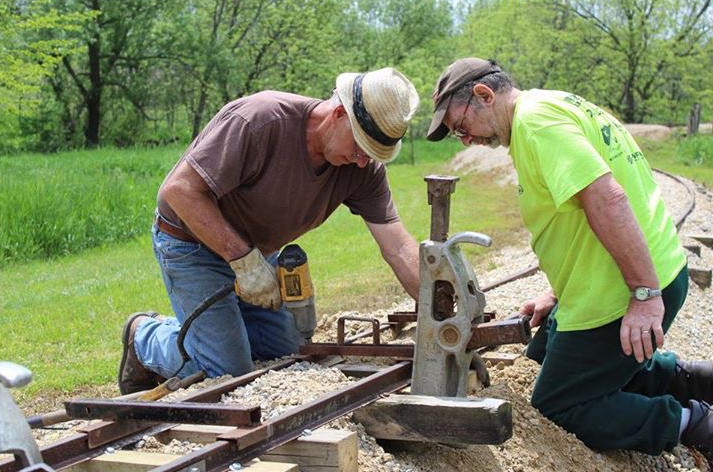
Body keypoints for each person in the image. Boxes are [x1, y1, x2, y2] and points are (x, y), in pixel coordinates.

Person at [426, 57, 713, 455]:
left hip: (623, 289)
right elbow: (578, 219)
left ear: (484, 95)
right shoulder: (551, 106)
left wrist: (644, 294)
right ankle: (697, 381)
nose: (465, 140)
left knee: (558, 404)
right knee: (541, 355)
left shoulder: (536, 124)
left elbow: (608, 198)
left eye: (461, 126)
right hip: (634, 274)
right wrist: (558, 294)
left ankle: (696, 424)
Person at [118, 67, 421, 394]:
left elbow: (399, 247)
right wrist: (243, 262)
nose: (363, 161)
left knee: (285, 353)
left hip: (254, 253)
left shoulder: (362, 169)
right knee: (226, 373)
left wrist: (445, 325)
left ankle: (218, 331)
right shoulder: (259, 121)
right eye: (362, 146)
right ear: (338, 113)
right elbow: (178, 192)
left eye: (373, 154)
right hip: (191, 243)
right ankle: (144, 336)